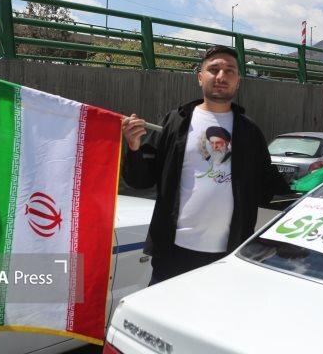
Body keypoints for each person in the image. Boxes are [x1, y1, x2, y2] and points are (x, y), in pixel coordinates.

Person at [122, 45, 290, 285]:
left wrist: (318, 176)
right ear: (200, 77)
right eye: (214, 69)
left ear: (238, 81)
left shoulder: (250, 132)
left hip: (229, 256)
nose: (221, 76)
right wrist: (134, 148)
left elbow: (267, 188)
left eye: (229, 71)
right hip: (172, 253)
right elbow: (141, 180)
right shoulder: (176, 122)